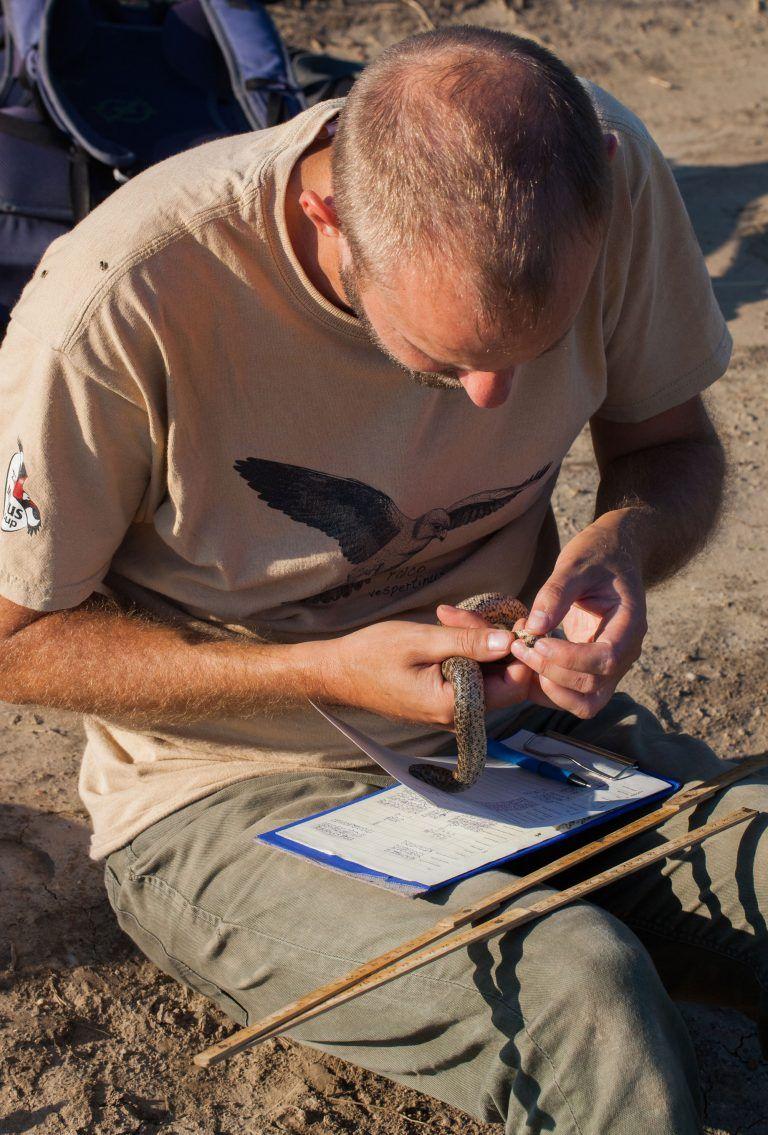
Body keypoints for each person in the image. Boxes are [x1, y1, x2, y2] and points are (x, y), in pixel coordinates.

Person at [0, 25, 764, 1135]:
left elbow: (670, 448)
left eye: (530, 347)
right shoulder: (128, 298)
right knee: (579, 991)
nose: (494, 400)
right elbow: (13, 638)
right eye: (446, 359)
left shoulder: (600, 172)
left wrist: (621, 550)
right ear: (329, 222)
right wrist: (327, 672)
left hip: (524, 740)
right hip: (223, 789)